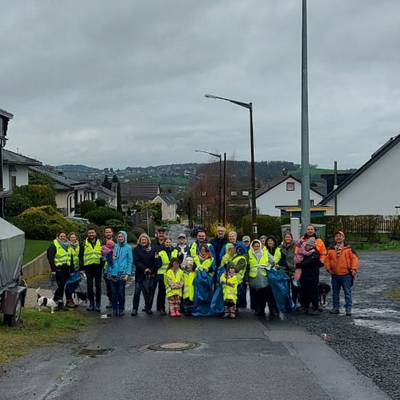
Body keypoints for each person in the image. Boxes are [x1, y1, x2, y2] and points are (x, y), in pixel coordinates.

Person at [325, 231, 359, 316]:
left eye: (340, 236)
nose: (338, 237)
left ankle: (348, 309)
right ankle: (335, 308)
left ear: (344, 238)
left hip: (346, 275)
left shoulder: (349, 249)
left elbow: (354, 259)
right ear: (334, 238)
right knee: (335, 293)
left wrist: (354, 269)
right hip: (335, 275)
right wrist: (328, 269)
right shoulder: (331, 249)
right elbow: (327, 260)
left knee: (347, 292)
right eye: (336, 236)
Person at [107, 231, 133, 317]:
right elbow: (109, 259)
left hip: (123, 273)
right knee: (113, 292)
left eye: (122, 237)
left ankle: (121, 308)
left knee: (121, 292)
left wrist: (128, 274)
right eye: (119, 237)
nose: (120, 238)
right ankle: (114, 309)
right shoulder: (114, 246)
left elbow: (130, 261)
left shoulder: (128, 247)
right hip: (113, 272)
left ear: (125, 237)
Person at [132, 233, 156, 316]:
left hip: (150, 274)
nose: (143, 241)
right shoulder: (136, 249)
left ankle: (148, 308)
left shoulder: (152, 249)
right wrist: (144, 268)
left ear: (148, 240)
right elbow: (136, 261)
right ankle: (134, 309)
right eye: (142, 240)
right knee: (137, 292)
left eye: (145, 240)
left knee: (148, 293)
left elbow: (154, 261)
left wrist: (151, 270)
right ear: (140, 241)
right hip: (140, 274)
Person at [47, 232, 73, 310]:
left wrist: (70, 269)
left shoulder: (68, 245)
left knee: (62, 287)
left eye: (64, 236)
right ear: (58, 237)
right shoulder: (54, 245)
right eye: (61, 236)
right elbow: (50, 258)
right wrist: (53, 269)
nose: (62, 237)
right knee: (60, 287)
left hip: (66, 269)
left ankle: (58, 303)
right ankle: (57, 302)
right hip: (58, 269)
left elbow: (69, 257)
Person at [298, 237, 323, 315]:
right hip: (304, 276)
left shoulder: (315, 253)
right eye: (306, 245)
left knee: (313, 292)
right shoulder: (305, 253)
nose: (307, 246)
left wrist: (300, 264)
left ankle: (315, 307)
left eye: (308, 245)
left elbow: (308, 262)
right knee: (304, 292)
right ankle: (305, 306)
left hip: (312, 277)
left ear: (312, 246)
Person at [80, 227, 103, 312]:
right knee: (89, 286)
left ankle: (98, 304)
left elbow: (104, 253)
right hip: (88, 268)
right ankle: (91, 303)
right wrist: (82, 268)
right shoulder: (83, 244)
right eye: (89, 233)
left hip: (98, 267)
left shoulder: (100, 242)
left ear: (95, 233)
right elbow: (81, 256)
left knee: (98, 286)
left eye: (92, 233)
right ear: (87, 234)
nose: (91, 234)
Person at [155, 238, 178, 315]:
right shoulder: (160, 252)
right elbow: (157, 263)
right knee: (162, 292)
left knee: (172, 292)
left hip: (172, 275)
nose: (168, 243)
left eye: (169, 242)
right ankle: (161, 308)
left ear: (171, 243)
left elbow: (178, 262)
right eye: (166, 242)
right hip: (162, 274)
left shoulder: (175, 251)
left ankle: (172, 309)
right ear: (164, 243)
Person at [248, 239, 269, 316]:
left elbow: (272, 261)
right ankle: (256, 308)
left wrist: (268, 267)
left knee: (263, 294)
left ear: (260, 246)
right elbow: (247, 265)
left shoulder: (265, 252)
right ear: (252, 246)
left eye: (258, 246)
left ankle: (262, 309)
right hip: (253, 276)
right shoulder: (249, 252)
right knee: (254, 294)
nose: (256, 247)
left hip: (263, 276)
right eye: (254, 246)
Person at [279, 231, 299, 307]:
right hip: (284, 270)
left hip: (294, 270)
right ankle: (287, 304)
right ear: (284, 238)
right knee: (285, 289)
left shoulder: (296, 246)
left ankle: (294, 303)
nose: (287, 238)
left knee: (295, 288)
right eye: (286, 237)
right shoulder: (280, 247)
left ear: (291, 238)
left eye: (289, 237)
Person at [265, 236, 281, 318]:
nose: (270, 242)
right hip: (267, 273)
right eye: (268, 241)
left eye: (271, 241)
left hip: (276, 273)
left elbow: (282, 261)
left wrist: (279, 266)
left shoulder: (278, 250)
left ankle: (276, 308)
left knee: (276, 292)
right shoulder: (264, 251)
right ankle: (271, 309)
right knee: (269, 292)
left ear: (274, 242)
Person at [65, 232, 81, 308]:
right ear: (69, 238)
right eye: (71, 237)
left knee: (75, 284)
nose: (73, 239)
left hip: (77, 269)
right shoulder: (67, 246)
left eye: (74, 237)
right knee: (69, 284)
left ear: (76, 238)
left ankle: (73, 299)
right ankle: (69, 300)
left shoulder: (79, 246)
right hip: (70, 269)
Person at [102, 227, 115, 309]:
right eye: (106, 232)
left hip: (115, 268)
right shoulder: (101, 243)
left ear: (112, 233)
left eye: (109, 232)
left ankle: (116, 300)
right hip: (105, 268)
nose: (108, 233)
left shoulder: (117, 242)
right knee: (108, 286)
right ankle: (111, 301)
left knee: (116, 285)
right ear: (104, 233)